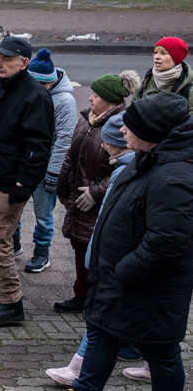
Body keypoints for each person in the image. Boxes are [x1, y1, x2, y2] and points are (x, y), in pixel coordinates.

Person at [73, 92, 193, 391]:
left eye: (130, 125)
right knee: (102, 342)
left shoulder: (173, 177)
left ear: (152, 132)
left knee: (162, 356)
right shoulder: (147, 160)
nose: (122, 130)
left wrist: (122, 272)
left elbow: (166, 242)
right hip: (118, 287)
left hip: (145, 292)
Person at [46, 114, 144, 385]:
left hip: (118, 261)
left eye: (109, 142)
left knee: (102, 320)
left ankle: (80, 371)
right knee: (134, 321)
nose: (104, 146)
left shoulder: (128, 171)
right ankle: (150, 362)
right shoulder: (125, 167)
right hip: (114, 259)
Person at [0, 36, 54, 326]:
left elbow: (38, 148)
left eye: (6, 59)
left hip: (11, 184)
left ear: (24, 62)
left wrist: (21, 186)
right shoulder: (0, 94)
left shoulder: (35, 97)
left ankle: (11, 303)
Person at [52, 71, 135, 313]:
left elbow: (125, 165)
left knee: (96, 251)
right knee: (79, 246)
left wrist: (96, 192)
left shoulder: (120, 124)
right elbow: (71, 155)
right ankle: (81, 295)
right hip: (78, 199)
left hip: (97, 202)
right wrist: (62, 186)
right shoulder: (87, 119)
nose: (90, 99)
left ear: (110, 101)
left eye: (96, 96)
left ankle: (97, 301)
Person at [9, 48, 76, 273]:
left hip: (45, 168)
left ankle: (41, 253)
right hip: (23, 164)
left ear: (50, 82)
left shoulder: (65, 101)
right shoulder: (28, 91)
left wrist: (54, 173)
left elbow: (64, 140)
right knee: (12, 206)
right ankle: (13, 244)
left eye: (40, 85)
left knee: (44, 214)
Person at [134, 37, 192, 114]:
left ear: (175, 58)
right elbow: (132, 111)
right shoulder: (146, 81)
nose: (156, 57)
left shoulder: (189, 89)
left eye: (163, 53)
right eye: (155, 52)